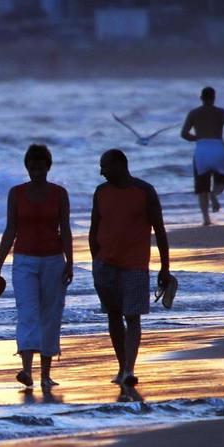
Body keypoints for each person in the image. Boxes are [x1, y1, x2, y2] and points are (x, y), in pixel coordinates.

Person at [0, 143, 74, 392]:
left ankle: (46, 374)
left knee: (51, 314)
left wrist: (70, 261)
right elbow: (10, 230)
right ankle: (26, 370)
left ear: (48, 166)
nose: (36, 171)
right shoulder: (16, 193)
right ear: (26, 167)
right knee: (27, 312)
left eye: (40, 167)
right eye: (31, 167)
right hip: (24, 261)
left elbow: (66, 229)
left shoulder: (60, 193)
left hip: (53, 260)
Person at [89, 148, 171, 402]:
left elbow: (159, 230)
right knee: (113, 315)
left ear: (119, 164)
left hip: (135, 265)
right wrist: (96, 260)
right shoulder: (101, 192)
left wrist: (165, 267)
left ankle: (129, 369)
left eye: (104, 166)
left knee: (132, 316)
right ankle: (122, 366)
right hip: (105, 265)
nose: (101, 171)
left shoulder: (144, 191)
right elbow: (94, 228)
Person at [180, 85, 224, 226]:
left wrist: (198, 138)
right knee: (221, 182)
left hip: (202, 150)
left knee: (201, 188)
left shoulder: (194, 113)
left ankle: (206, 219)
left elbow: (184, 134)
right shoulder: (221, 112)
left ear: (201, 98)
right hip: (218, 147)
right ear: (214, 98)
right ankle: (214, 195)